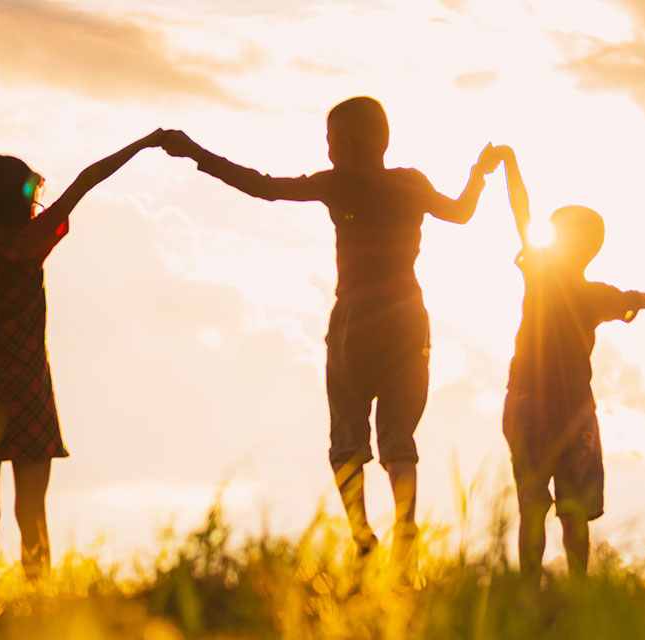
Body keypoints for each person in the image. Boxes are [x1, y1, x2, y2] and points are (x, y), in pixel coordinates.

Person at [160, 97, 501, 558]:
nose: (326, 149)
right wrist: (478, 176)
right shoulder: (411, 183)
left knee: (346, 438)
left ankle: (363, 538)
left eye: (328, 140)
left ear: (344, 142)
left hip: (357, 319)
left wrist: (196, 153)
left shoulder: (338, 183)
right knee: (399, 438)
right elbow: (462, 212)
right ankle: (405, 531)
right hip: (408, 318)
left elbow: (262, 187)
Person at [0, 74, 167, 578]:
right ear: (23, 203)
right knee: (31, 513)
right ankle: (39, 605)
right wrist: (144, 143)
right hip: (27, 391)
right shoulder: (31, 243)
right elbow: (86, 179)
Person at [489, 145, 645, 577]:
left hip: (529, 400)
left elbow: (519, 208)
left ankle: (529, 588)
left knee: (534, 503)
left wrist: (509, 162)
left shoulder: (541, 271)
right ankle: (579, 593)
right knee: (573, 509)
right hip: (571, 408)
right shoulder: (596, 295)